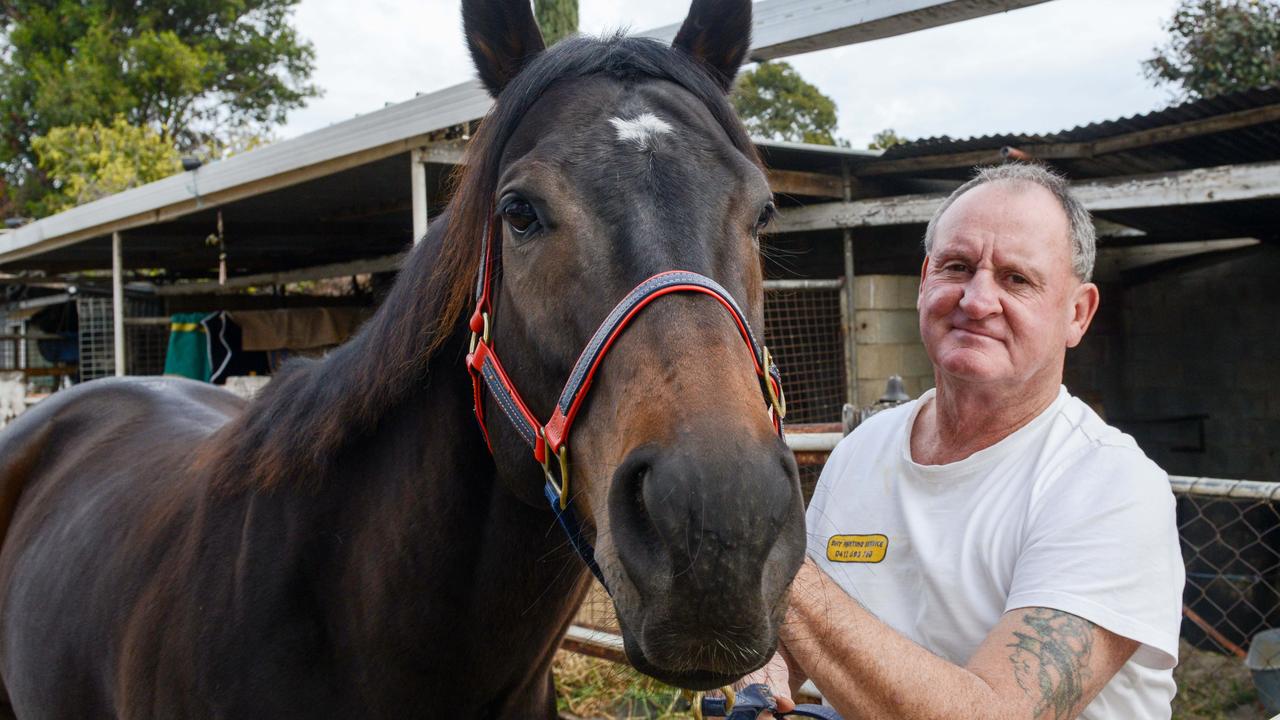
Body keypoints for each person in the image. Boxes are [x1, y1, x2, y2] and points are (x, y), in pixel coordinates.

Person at [751, 163, 1185, 719]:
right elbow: (796, 636)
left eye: (1016, 279)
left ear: (1078, 314)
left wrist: (770, 559)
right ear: (926, 276)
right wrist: (760, 686)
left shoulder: (1109, 487)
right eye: (957, 267)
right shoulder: (866, 447)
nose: (977, 301)